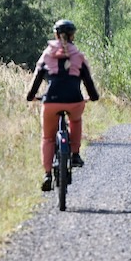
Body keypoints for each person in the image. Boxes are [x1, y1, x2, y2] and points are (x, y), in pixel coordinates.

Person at [26, 19, 100, 192]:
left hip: (51, 101)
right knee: (75, 121)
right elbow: (88, 80)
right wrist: (93, 97)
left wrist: (30, 96)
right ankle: (74, 154)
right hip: (74, 100)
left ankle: (47, 174)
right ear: (73, 35)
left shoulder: (46, 54)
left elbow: (37, 79)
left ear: (55, 35)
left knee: (48, 138)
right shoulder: (78, 55)